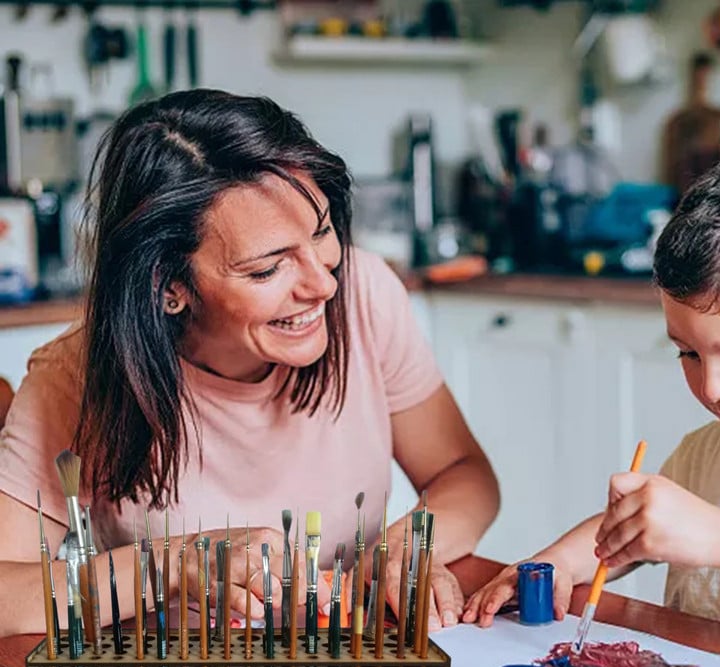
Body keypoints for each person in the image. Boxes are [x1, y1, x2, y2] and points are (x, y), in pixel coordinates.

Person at [0, 89, 499, 637]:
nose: (323, 284)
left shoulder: (365, 296)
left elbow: (465, 475)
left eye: (322, 232)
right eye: (267, 270)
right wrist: (171, 564)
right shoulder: (77, 374)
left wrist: (406, 546)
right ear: (169, 287)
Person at [465, 151, 720, 643]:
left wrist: (711, 533)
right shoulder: (700, 453)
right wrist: (558, 562)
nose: (712, 389)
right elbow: (632, 528)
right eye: (687, 353)